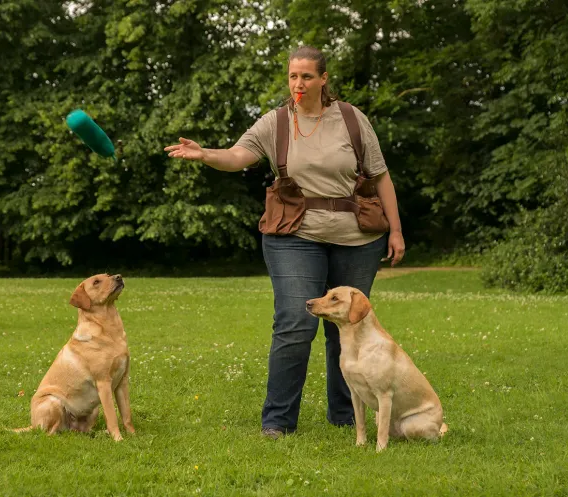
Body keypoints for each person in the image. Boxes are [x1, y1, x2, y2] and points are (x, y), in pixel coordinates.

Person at [164, 45, 405, 438]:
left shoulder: (351, 119)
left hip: (358, 237)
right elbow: (238, 155)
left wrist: (395, 230)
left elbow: (380, 177)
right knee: (295, 322)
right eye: (293, 76)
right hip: (294, 236)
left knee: (348, 326)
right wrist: (205, 153)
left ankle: (346, 415)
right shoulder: (275, 123)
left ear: (323, 79)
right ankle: (278, 421)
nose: (299, 83)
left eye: (307, 76)